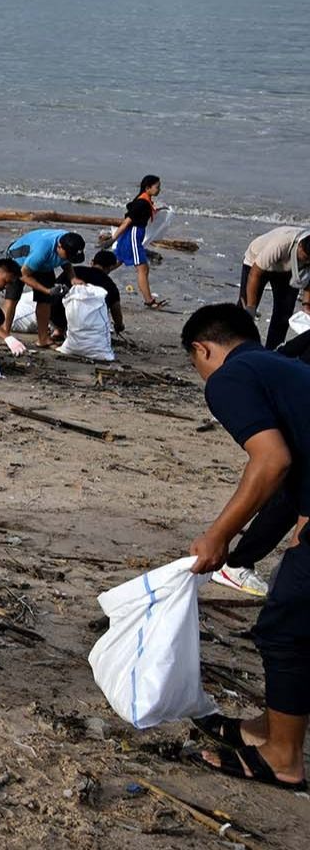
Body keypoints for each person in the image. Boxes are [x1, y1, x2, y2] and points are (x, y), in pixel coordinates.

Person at [180, 304, 310, 793]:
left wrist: (220, 535)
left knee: (285, 629)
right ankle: (273, 728)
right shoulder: (284, 367)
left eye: (198, 365)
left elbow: (271, 460)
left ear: (202, 349)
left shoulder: (230, 377)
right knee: (296, 611)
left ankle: (284, 758)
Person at [0, 229, 86, 347]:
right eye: (68, 256)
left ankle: (43, 339)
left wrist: (73, 278)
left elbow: (66, 262)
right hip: (18, 262)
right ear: (59, 247)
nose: (68, 259)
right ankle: (5, 335)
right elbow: (23, 275)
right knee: (12, 298)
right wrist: (47, 290)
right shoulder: (41, 252)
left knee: (45, 301)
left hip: (44, 266)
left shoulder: (69, 241)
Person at [241, 226, 310, 349]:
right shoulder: (280, 244)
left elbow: (309, 279)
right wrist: (251, 307)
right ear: (300, 247)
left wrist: (306, 306)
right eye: (305, 258)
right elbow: (254, 274)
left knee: (284, 314)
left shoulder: (306, 258)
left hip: (287, 269)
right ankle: (237, 349)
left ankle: (272, 353)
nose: (306, 262)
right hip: (256, 262)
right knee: (244, 313)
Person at [106, 174, 166, 309]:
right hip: (133, 235)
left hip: (134, 234)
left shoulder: (146, 201)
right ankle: (149, 301)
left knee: (117, 261)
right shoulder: (142, 203)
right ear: (147, 187)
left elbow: (142, 214)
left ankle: (94, 277)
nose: (159, 190)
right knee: (142, 268)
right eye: (157, 187)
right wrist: (113, 238)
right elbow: (127, 222)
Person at [73, 250, 129, 335]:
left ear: (92, 262)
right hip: (88, 324)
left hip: (59, 316)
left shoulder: (74, 271)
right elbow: (116, 311)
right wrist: (119, 326)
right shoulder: (110, 285)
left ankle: (58, 331)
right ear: (111, 267)